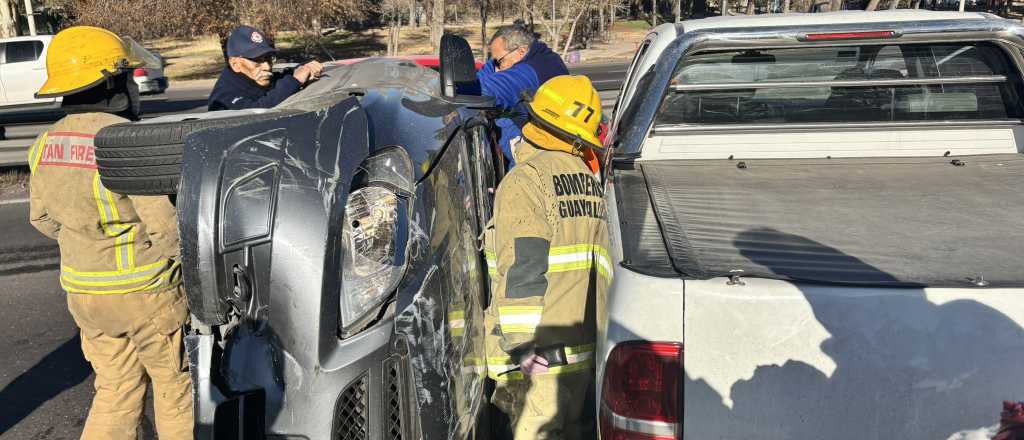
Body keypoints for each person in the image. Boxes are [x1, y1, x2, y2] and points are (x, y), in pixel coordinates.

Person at [28, 26, 192, 440]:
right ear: (114, 81)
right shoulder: (125, 140)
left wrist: (91, 241)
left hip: (84, 294)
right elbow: (167, 231)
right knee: (174, 391)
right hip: (145, 292)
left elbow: (42, 220)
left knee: (116, 389)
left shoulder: (44, 143)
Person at [484, 75, 610, 439]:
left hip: (542, 362)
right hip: (585, 357)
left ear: (536, 121)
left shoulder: (526, 181)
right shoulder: (588, 180)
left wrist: (522, 344)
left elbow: (524, 264)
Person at [477, 24, 569, 166]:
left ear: (521, 51)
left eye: (500, 62)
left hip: (539, 162)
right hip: (536, 150)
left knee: (504, 119)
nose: (497, 68)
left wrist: (450, 87)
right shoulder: (527, 54)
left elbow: (485, 89)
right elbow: (486, 71)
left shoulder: (534, 69)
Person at [208, 25, 323, 111]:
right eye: (257, 60)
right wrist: (295, 81)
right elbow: (255, 111)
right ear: (236, 65)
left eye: (268, 58)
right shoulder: (223, 97)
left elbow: (281, 77)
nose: (267, 66)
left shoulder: (254, 77)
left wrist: (305, 68)